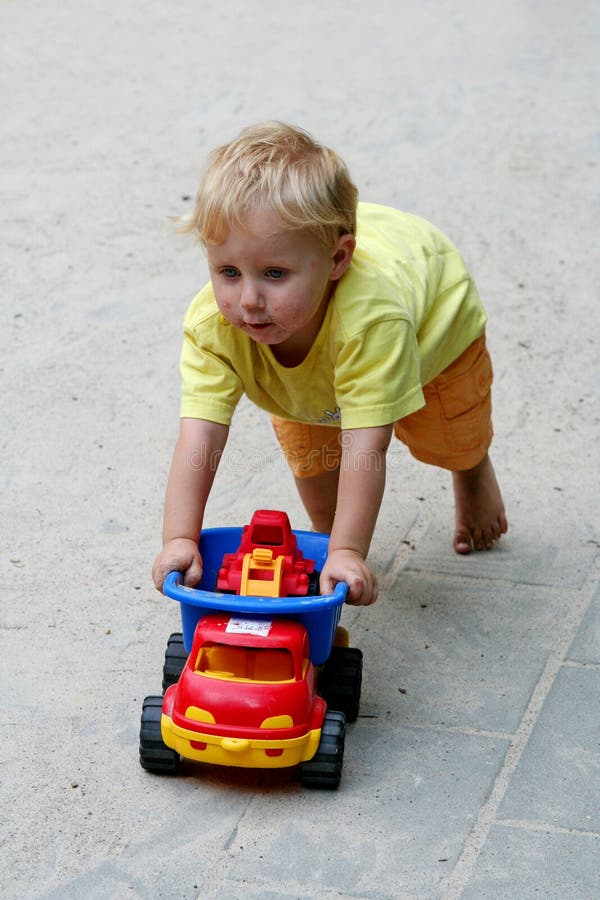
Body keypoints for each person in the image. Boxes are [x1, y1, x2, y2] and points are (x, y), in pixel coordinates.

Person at [152, 121, 508, 606]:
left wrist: (349, 548)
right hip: (313, 383)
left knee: (448, 432)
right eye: (228, 272)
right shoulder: (215, 325)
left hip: (433, 327)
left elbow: (367, 444)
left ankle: (470, 469)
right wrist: (179, 538)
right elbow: (201, 434)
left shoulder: (372, 322)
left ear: (337, 260)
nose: (249, 300)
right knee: (314, 462)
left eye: (275, 274)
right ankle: (330, 538)